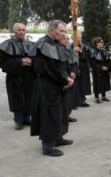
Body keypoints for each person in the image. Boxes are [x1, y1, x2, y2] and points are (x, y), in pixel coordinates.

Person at [29, 20, 74, 157]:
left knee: (59, 112)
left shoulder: (53, 44)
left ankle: (58, 138)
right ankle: (47, 147)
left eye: (65, 31)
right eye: (61, 31)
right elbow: (49, 69)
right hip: (47, 86)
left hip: (57, 84)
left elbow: (60, 65)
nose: (63, 34)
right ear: (51, 30)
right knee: (49, 115)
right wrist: (65, 80)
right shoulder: (44, 44)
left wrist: (66, 78)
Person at [0, 23, 36, 130]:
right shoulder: (7, 45)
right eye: (19, 30)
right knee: (17, 98)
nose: (22, 32)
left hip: (29, 76)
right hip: (15, 76)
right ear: (14, 31)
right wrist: (20, 62)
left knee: (29, 96)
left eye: (24, 30)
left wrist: (31, 61)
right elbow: (2, 61)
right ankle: (18, 120)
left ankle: (27, 118)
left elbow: (38, 59)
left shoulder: (32, 44)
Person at [90, 37, 111, 103]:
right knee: (97, 83)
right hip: (97, 70)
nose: (103, 43)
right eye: (101, 42)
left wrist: (108, 67)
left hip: (105, 70)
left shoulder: (104, 51)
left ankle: (103, 96)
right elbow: (92, 62)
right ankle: (96, 97)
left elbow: (108, 60)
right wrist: (100, 67)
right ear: (97, 43)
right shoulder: (93, 51)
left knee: (104, 82)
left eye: (103, 42)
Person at [72, 36, 91, 107]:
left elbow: (88, 57)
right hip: (73, 69)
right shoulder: (70, 46)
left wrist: (81, 51)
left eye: (79, 38)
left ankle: (82, 101)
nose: (78, 40)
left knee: (82, 85)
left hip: (83, 69)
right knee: (75, 86)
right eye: (76, 38)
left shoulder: (85, 47)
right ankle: (74, 102)